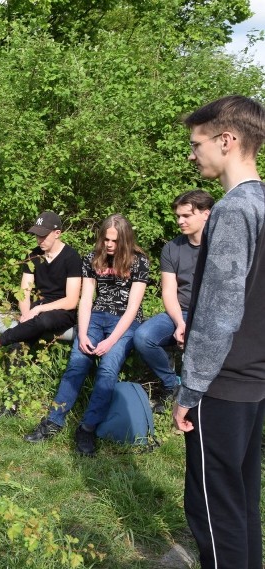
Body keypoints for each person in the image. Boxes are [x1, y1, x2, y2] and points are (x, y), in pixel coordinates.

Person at [173, 95, 265, 569]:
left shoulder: (231, 211)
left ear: (226, 141)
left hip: (222, 383)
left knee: (212, 509)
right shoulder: (264, 202)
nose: (192, 154)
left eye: (197, 143)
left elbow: (219, 311)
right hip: (254, 381)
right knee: (242, 503)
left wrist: (190, 389)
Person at [24, 214, 149, 457]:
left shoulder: (139, 261)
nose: (109, 245)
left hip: (125, 322)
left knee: (107, 370)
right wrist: (82, 333)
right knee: (77, 364)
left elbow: (133, 307)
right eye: (105, 239)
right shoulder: (92, 258)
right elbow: (86, 299)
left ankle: (87, 428)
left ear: (124, 239)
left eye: (114, 240)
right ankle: (54, 421)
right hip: (95, 317)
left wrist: (111, 341)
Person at [133, 190, 213, 412]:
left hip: (211, 314)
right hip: (183, 311)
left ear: (206, 214)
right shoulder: (172, 248)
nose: (180, 221)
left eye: (186, 215)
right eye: (178, 216)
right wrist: (180, 323)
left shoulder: (219, 246)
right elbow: (169, 291)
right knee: (143, 337)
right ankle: (172, 385)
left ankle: (205, 398)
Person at [0, 211, 81, 358]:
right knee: (17, 348)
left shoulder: (72, 257)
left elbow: (71, 301)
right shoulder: (33, 255)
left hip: (62, 311)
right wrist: (26, 314)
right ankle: (13, 377)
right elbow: (24, 291)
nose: (39, 240)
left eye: (43, 235)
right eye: (37, 235)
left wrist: (38, 310)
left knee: (44, 321)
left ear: (57, 233)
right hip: (39, 308)